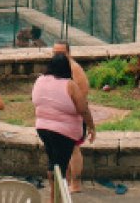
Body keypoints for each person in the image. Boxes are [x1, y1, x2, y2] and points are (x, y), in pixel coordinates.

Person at [33, 54, 88, 202]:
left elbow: (35, 101)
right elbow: (83, 108)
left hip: (43, 129)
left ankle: (53, 197)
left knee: (53, 163)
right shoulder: (69, 84)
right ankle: (57, 199)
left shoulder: (40, 80)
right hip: (64, 133)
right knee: (60, 168)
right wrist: (92, 126)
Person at [52, 41, 95, 193]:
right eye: (55, 52)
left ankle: (76, 185)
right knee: (65, 149)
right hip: (63, 116)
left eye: (61, 52)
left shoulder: (74, 68)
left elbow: (82, 93)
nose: (57, 55)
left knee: (73, 148)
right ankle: (68, 181)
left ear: (69, 53)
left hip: (74, 115)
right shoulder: (60, 67)